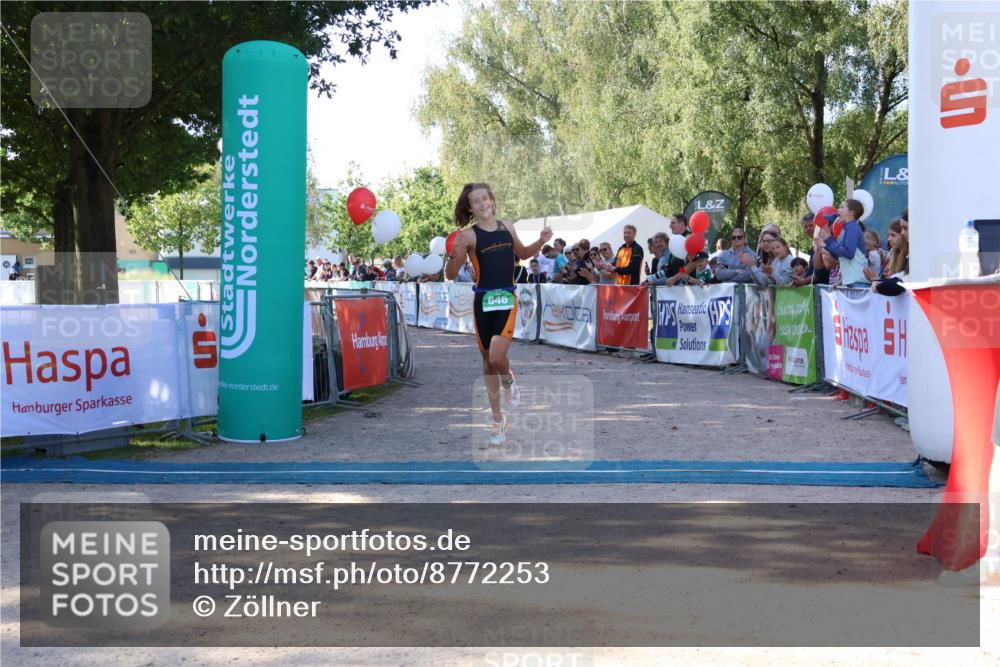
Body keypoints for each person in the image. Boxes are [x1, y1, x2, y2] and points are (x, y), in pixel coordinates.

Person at [445, 182, 552, 445]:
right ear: (470, 208)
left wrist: (542, 240)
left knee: (497, 356)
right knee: (487, 362)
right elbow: (449, 274)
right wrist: (455, 254)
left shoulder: (507, 227)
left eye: (485, 198)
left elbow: (524, 253)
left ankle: (509, 381)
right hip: (482, 301)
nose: (482, 204)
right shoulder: (468, 236)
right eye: (476, 201)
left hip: (506, 297)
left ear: (492, 200)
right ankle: (497, 421)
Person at [817, 199, 869, 287]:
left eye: (842, 207)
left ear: (851, 213)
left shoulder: (853, 228)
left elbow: (848, 253)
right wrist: (826, 245)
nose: (838, 210)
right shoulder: (846, 229)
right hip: (850, 281)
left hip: (858, 282)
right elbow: (839, 256)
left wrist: (829, 241)